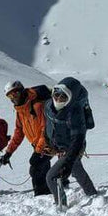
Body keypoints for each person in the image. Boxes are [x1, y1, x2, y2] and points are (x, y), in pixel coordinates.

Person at [43, 77, 98, 205]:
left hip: (73, 148)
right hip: (61, 146)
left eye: (63, 97)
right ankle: (92, 194)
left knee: (51, 177)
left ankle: (61, 205)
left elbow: (77, 139)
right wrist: (50, 144)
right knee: (76, 170)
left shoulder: (75, 113)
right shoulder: (48, 106)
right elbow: (48, 126)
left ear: (70, 98)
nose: (58, 99)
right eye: (56, 95)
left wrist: (68, 161)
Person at [0, 80, 53, 196]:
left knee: (35, 167)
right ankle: (51, 191)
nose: (13, 98)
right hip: (37, 144)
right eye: (9, 96)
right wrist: (9, 152)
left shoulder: (38, 105)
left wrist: (39, 150)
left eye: (15, 93)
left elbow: (46, 128)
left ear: (22, 91)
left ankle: (42, 196)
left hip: (48, 142)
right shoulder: (20, 111)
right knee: (42, 168)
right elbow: (19, 132)